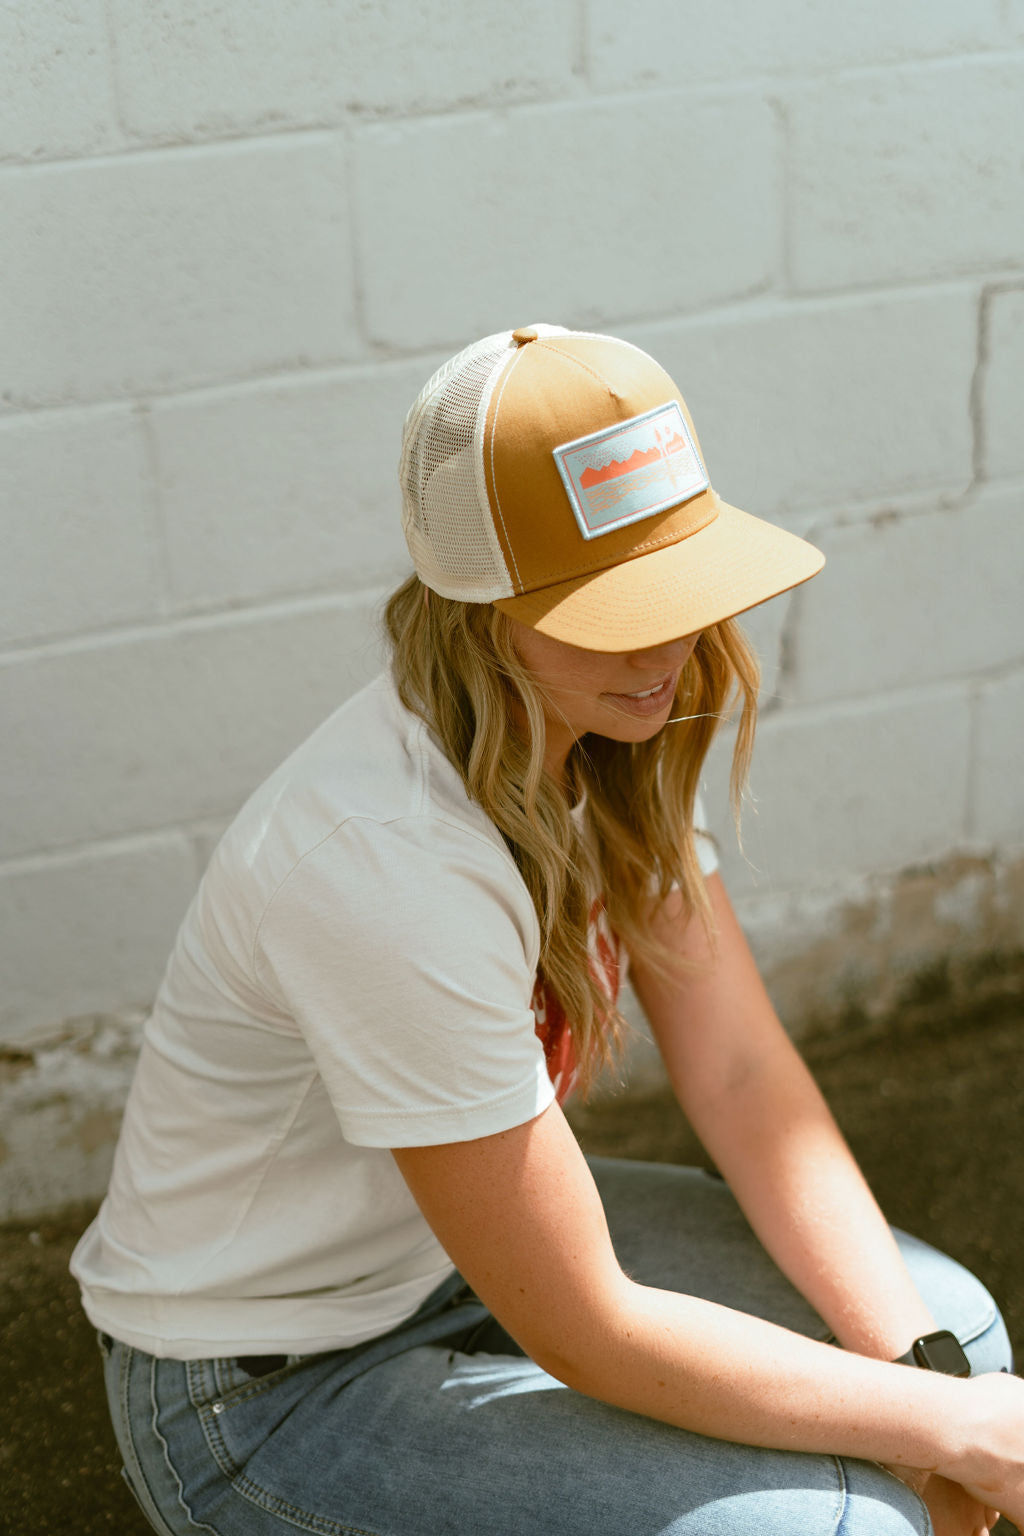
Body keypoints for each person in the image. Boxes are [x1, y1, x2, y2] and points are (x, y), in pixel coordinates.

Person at [73, 324, 1021, 1536]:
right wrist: (943, 1435)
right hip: (268, 1396)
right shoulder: (385, 861)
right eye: (611, 609)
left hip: (446, 1260)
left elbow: (739, 1077)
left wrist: (931, 1381)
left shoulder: (606, 737)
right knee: (850, 1518)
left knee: (958, 1340)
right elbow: (583, 1324)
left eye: (680, 590)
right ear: (477, 609)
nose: (667, 647)